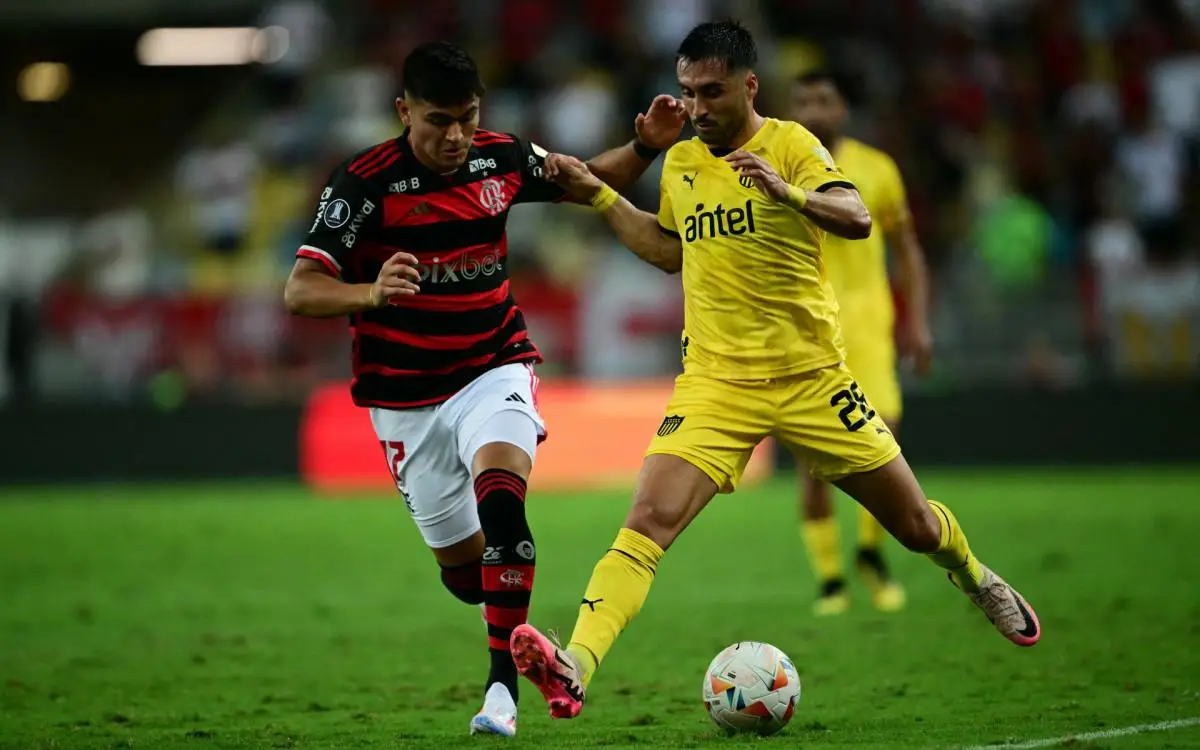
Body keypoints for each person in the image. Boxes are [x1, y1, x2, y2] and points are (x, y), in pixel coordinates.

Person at [506, 20, 1041, 721]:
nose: (697, 107)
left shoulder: (791, 145)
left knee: (913, 525)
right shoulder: (684, 163)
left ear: (749, 85)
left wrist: (789, 194)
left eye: (712, 92)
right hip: (716, 384)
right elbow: (671, 252)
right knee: (646, 520)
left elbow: (854, 216)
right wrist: (605, 199)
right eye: (688, 91)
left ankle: (975, 577)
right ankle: (575, 663)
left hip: (811, 379)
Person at [282, 41, 686, 737]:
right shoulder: (363, 184)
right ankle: (520, 639)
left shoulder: (497, 157)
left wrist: (643, 148)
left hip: (491, 364)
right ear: (404, 111)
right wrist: (372, 291)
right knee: (469, 577)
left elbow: (581, 182)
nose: (456, 136)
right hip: (404, 398)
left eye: (468, 118)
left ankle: (504, 689)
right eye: (439, 120)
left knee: (504, 502)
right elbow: (301, 289)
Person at [789, 69, 933, 616]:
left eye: (824, 98)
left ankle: (871, 553)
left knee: (883, 443)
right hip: (808, 329)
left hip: (870, 325)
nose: (814, 109)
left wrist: (916, 321)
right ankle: (830, 580)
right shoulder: (778, 166)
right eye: (804, 101)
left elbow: (909, 250)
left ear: (842, 108)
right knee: (814, 464)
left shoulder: (877, 169)